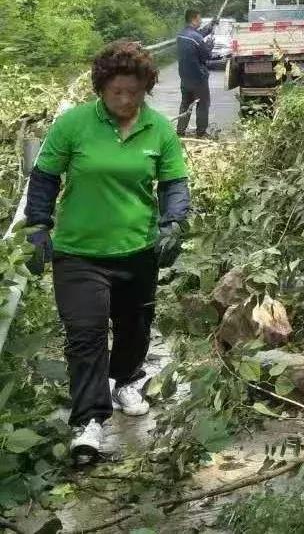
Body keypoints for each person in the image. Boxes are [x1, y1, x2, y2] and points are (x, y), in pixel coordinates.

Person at [23, 41, 190, 465]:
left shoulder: (158, 129)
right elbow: (44, 178)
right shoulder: (74, 125)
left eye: (133, 91)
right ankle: (88, 422)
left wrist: (173, 223)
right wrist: (38, 225)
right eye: (116, 91)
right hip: (79, 253)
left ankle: (126, 380)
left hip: (137, 250)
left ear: (145, 88)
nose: (125, 99)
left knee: (134, 328)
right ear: (101, 88)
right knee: (86, 334)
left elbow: (174, 184)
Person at [176, 9, 217, 138]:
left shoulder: (182, 34)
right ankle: (201, 132)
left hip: (185, 77)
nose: (200, 20)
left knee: (185, 104)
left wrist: (211, 25)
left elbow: (198, 34)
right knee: (203, 104)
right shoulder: (197, 38)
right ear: (194, 19)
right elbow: (206, 56)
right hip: (198, 78)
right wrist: (209, 45)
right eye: (199, 18)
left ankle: (180, 131)